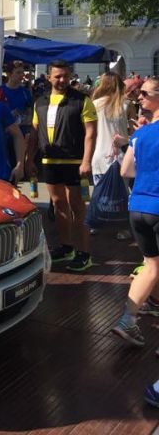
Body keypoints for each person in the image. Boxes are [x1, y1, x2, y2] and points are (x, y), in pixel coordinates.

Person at [27, 59, 97, 272]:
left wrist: (86, 160)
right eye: (57, 76)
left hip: (74, 161)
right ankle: (67, 247)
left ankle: (84, 253)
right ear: (48, 77)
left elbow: (91, 134)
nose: (62, 80)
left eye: (66, 75)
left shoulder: (82, 100)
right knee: (58, 205)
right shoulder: (40, 101)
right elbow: (32, 134)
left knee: (77, 207)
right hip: (49, 161)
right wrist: (29, 160)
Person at [110, 78, 159, 362]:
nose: (138, 97)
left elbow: (126, 170)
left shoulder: (140, 134)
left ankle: (128, 319)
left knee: (152, 266)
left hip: (138, 207)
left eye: (143, 94)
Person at [91, 72, 134, 184]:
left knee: (101, 195)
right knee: (121, 196)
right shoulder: (127, 104)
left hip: (99, 155)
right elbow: (133, 133)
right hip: (122, 155)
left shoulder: (94, 104)